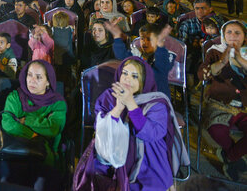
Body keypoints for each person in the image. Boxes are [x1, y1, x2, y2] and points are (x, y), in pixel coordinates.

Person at [77, 57, 186, 191]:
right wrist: (118, 108)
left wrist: (131, 104)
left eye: (135, 76)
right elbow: (101, 129)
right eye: (124, 73)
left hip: (147, 157)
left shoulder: (156, 102)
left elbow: (152, 133)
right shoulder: (108, 96)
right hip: (113, 152)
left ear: (144, 81)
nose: (127, 79)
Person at [0, 60, 67, 186]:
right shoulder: (15, 97)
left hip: (45, 155)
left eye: (38, 77)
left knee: (42, 184)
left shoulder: (57, 103)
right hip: (16, 151)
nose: (32, 80)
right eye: (29, 75)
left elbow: (53, 128)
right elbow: (8, 124)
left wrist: (26, 120)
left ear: (48, 81)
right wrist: (34, 135)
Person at [198, 20, 247, 181]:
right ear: (223, 36)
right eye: (229, 33)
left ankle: (230, 157)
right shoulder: (215, 52)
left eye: (237, 33)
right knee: (217, 130)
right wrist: (222, 62)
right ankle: (235, 156)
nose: (233, 36)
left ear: (244, 37)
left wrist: (240, 60)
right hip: (220, 103)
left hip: (244, 106)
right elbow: (202, 75)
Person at [107, 20, 175, 98]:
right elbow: (122, 56)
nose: (144, 42)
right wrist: (117, 37)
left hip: (158, 99)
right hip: (139, 98)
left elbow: (160, 70)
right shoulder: (137, 53)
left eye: (149, 39)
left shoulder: (166, 55)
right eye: (142, 39)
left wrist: (160, 47)